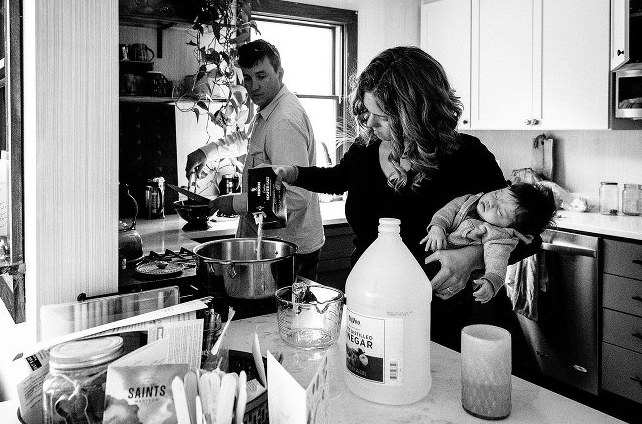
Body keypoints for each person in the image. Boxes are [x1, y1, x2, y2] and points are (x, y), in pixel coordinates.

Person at [273, 46, 540, 350]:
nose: (370, 125)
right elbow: (338, 178)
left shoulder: (468, 157)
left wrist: (472, 258)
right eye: (368, 113)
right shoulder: (365, 150)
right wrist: (292, 173)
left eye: (382, 117)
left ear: (416, 115)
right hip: (373, 311)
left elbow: (529, 235)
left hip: (449, 320)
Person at [185, 39, 324, 279]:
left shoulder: (283, 121)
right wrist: (206, 152)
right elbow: (246, 140)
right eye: (248, 78)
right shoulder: (270, 110)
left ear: (280, 73)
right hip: (276, 246)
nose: (254, 86)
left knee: (282, 316)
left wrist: (236, 203)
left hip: (289, 250)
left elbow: (297, 197)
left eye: (262, 76)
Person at [420, 183, 557, 303]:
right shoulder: (469, 200)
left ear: (510, 227)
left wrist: (491, 282)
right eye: (497, 195)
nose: (492, 202)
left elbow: (497, 261)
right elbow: (447, 212)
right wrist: (437, 227)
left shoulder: (498, 235)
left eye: (500, 212)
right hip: (428, 249)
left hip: (446, 275)